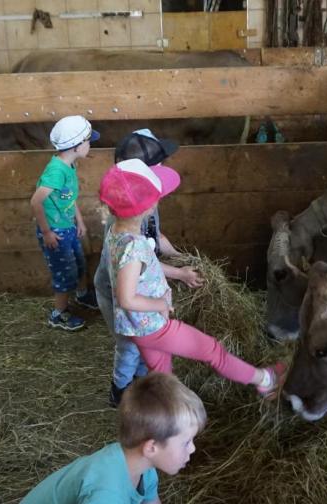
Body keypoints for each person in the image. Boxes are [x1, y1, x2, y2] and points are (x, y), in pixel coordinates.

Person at [100, 158, 284, 396]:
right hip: (153, 326)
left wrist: (178, 274)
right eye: (157, 197)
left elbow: (145, 267)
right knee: (212, 350)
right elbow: (126, 298)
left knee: (161, 373)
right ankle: (264, 379)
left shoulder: (117, 233)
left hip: (139, 328)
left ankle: (166, 409)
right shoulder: (133, 248)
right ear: (147, 207)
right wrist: (161, 303)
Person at [97, 130, 204, 407]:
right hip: (120, 293)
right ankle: (119, 390)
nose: (165, 169)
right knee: (129, 345)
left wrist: (180, 256)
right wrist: (179, 274)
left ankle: (143, 383)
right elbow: (138, 267)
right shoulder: (126, 224)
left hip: (139, 288)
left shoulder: (141, 200)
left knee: (143, 345)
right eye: (160, 164)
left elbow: (155, 237)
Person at [21, 372, 205, 504]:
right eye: (186, 442)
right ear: (151, 447)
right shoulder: (106, 493)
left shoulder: (144, 467)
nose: (192, 449)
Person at [30, 115, 100, 331]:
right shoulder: (56, 171)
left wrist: (79, 220)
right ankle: (58, 315)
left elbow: (68, 198)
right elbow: (36, 201)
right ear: (77, 146)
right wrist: (47, 232)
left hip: (68, 228)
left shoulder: (69, 166)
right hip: (56, 232)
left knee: (79, 264)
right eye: (88, 141)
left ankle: (81, 296)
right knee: (64, 272)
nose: (90, 145)